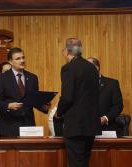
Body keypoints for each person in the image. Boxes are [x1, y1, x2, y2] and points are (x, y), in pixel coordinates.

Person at [55, 38, 101, 167]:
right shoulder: (92, 68)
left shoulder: (68, 68)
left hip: (75, 125)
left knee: (75, 163)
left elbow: (67, 97)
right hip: (91, 124)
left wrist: (59, 112)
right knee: (84, 162)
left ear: (67, 52)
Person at [0, 47, 49, 137]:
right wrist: (8, 106)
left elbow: (33, 100)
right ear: (10, 62)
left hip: (28, 126)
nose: (22, 61)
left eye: (23, 57)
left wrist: (43, 107)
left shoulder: (32, 78)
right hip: (8, 126)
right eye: (18, 59)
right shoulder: (2, 78)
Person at [87, 57, 123, 132]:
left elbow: (118, 106)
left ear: (96, 67)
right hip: (85, 129)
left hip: (107, 128)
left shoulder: (112, 84)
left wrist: (106, 118)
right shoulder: (81, 85)